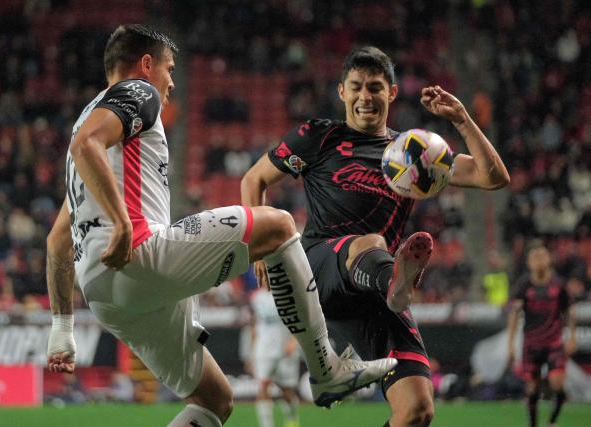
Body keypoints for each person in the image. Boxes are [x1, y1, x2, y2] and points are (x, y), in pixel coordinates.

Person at [44, 25, 397, 427]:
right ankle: (327, 370)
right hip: (138, 256)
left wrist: (62, 326)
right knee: (279, 226)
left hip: (104, 295)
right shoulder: (137, 92)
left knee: (214, 399)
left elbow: (57, 240)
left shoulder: (90, 126)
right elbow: (84, 144)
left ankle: (325, 372)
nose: (172, 81)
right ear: (146, 65)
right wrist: (124, 225)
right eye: (169, 68)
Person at [241, 46, 510, 427]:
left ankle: (393, 285)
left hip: (374, 291)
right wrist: (259, 251)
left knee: (416, 410)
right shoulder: (318, 137)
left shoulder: (414, 152)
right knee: (370, 243)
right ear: (342, 92)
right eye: (357, 87)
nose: (365, 96)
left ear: (392, 93)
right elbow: (254, 179)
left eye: (375, 87)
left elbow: (493, 178)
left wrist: (462, 120)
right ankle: (396, 284)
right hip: (320, 268)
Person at [507, 240, 576, 427]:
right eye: (534, 257)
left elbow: (569, 311)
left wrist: (572, 337)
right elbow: (514, 314)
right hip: (531, 345)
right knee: (532, 390)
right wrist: (510, 344)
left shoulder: (559, 285)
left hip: (554, 343)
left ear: (549, 259)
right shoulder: (523, 285)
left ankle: (552, 421)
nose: (539, 260)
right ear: (529, 262)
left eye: (542, 256)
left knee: (557, 385)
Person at [249, 285, 301, 427]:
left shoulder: (288, 294)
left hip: (285, 350)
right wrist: (252, 351)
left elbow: (299, 320)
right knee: (263, 385)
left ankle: (292, 419)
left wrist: (293, 340)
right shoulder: (256, 297)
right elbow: (253, 323)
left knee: (287, 390)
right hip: (263, 348)